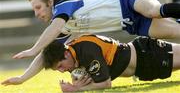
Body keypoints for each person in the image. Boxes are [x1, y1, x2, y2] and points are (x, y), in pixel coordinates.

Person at [3, 0, 180, 86]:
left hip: (128, 0)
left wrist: (33, 49)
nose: (36, 13)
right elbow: (46, 54)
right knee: (175, 31)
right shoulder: (64, 25)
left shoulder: (64, 0)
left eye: (38, 7)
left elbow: (54, 28)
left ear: (50, 2)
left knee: (154, 10)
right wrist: (22, 78)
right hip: (133, 24)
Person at [3, 34, 180, 92]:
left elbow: (105, 83)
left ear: (66, 54)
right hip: (143, 63)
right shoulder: (72, 52)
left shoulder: (85, 51)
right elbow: (46, 54)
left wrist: (76, 89)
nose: (62, 71)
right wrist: (22, 78)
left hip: (148, 56)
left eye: (60, 66)